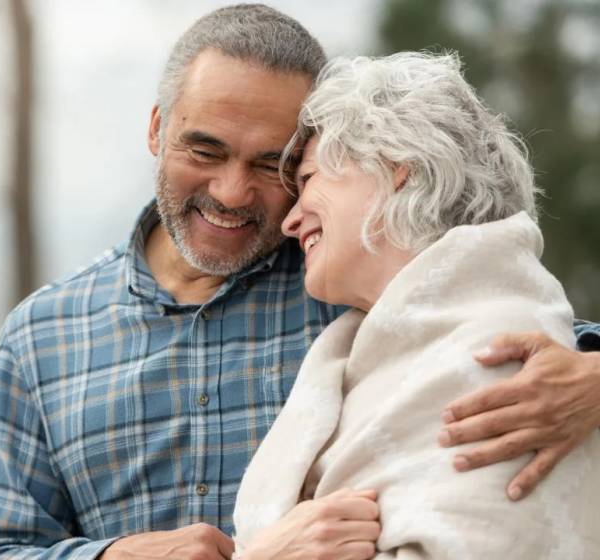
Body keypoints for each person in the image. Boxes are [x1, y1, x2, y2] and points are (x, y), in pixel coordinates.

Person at [0, 5, 600, 559]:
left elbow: (505, 334)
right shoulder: (43, 335)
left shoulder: (346, 283)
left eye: (272, 163)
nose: (231, 193)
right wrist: (114, 555)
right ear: (156, 129)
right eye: (205, 151)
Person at [233, 51, 600, 559]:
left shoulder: (500, 349)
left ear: (393, 167)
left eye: (310, 180)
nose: (290, 221)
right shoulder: (386, 353)